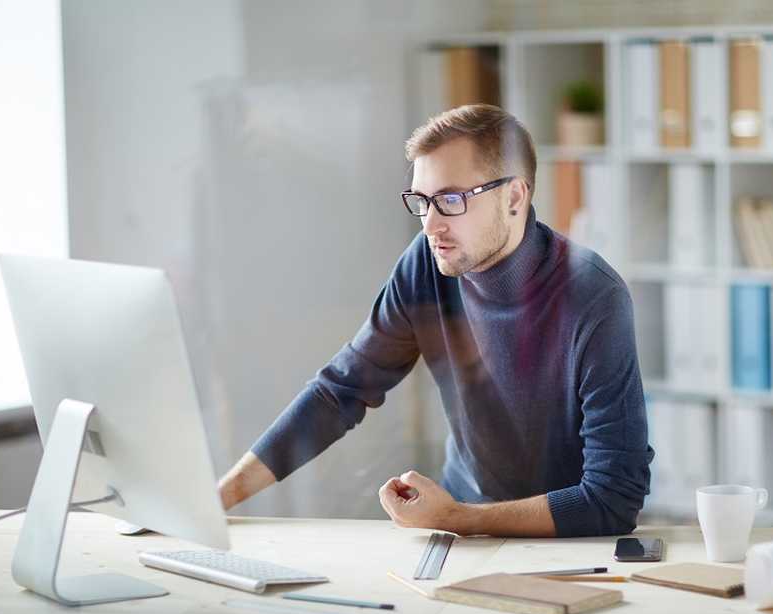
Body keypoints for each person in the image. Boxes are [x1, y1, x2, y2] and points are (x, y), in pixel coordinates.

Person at [217, 103, 653, 537]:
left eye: (450, 199)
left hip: (567, 543)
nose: (430, 225)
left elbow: (613, 499)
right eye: (422, 201)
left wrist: (455, 518)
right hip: (462, 531)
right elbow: (339, 393)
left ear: (514, 196)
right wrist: (217, 498)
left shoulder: (594, 297)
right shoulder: (426, 264)